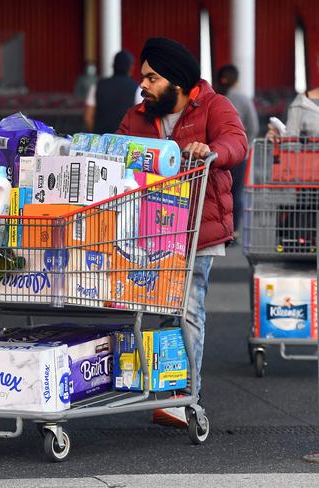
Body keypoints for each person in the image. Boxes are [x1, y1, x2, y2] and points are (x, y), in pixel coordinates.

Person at [117, 37, 248, 427]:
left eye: (152, 77)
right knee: (158, 308)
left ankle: (187, 393)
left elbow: (235, 142)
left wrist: (211, 150)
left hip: (198, 230)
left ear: (175, 81)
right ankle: (169, 387)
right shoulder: (137, 116)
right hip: (148, 234)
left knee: (188, 308)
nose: (143, 84)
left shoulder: (213, 106)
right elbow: (115, 154)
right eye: (143, 76)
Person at [215, 64, 260, 235]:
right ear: (236, 80)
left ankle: (218, 228)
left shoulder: (213, 97)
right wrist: (245, 144)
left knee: (217, 191)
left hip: (216, 154)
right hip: (240, 155)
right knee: (237, 192)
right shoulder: (243, 99)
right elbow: (254, 127)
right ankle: (233, 230)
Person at [84, 50, 141, 133]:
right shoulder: (137, 89)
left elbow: (88, 117)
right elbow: (139, 120)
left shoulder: (97, 86)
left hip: (101, 140)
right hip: (124, 141)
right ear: (131, 67)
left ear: (113, 66)